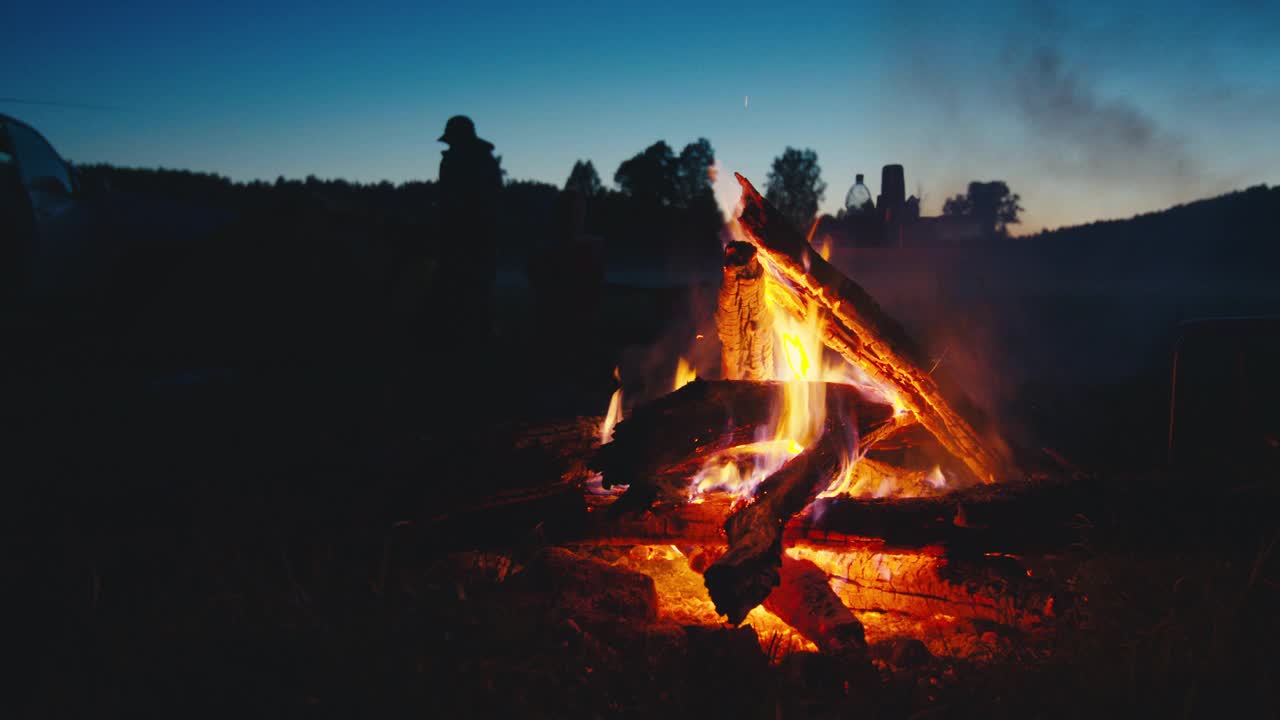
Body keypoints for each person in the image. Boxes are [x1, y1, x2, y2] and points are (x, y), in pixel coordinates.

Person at [433, 115, 501, 357]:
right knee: (475, 298)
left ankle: (470, 351)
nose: (449, 146)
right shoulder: (484, 162)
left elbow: (455, 205)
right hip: (478, 242)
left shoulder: (461, 164)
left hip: (467, 243)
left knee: (467, 298)